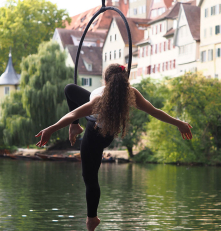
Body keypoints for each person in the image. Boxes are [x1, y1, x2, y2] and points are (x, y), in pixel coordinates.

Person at [35, 63, 192, 231]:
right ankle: (75, 126)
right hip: (102, 126)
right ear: (125, 82)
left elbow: (73, 113)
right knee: (70, 89)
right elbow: (154, 111)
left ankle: (92, 218)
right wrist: (179, 123)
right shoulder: (131, 93)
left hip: (97, 134)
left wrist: (50, 129)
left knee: (89, 177)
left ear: (106, 79)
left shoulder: (99, 100)